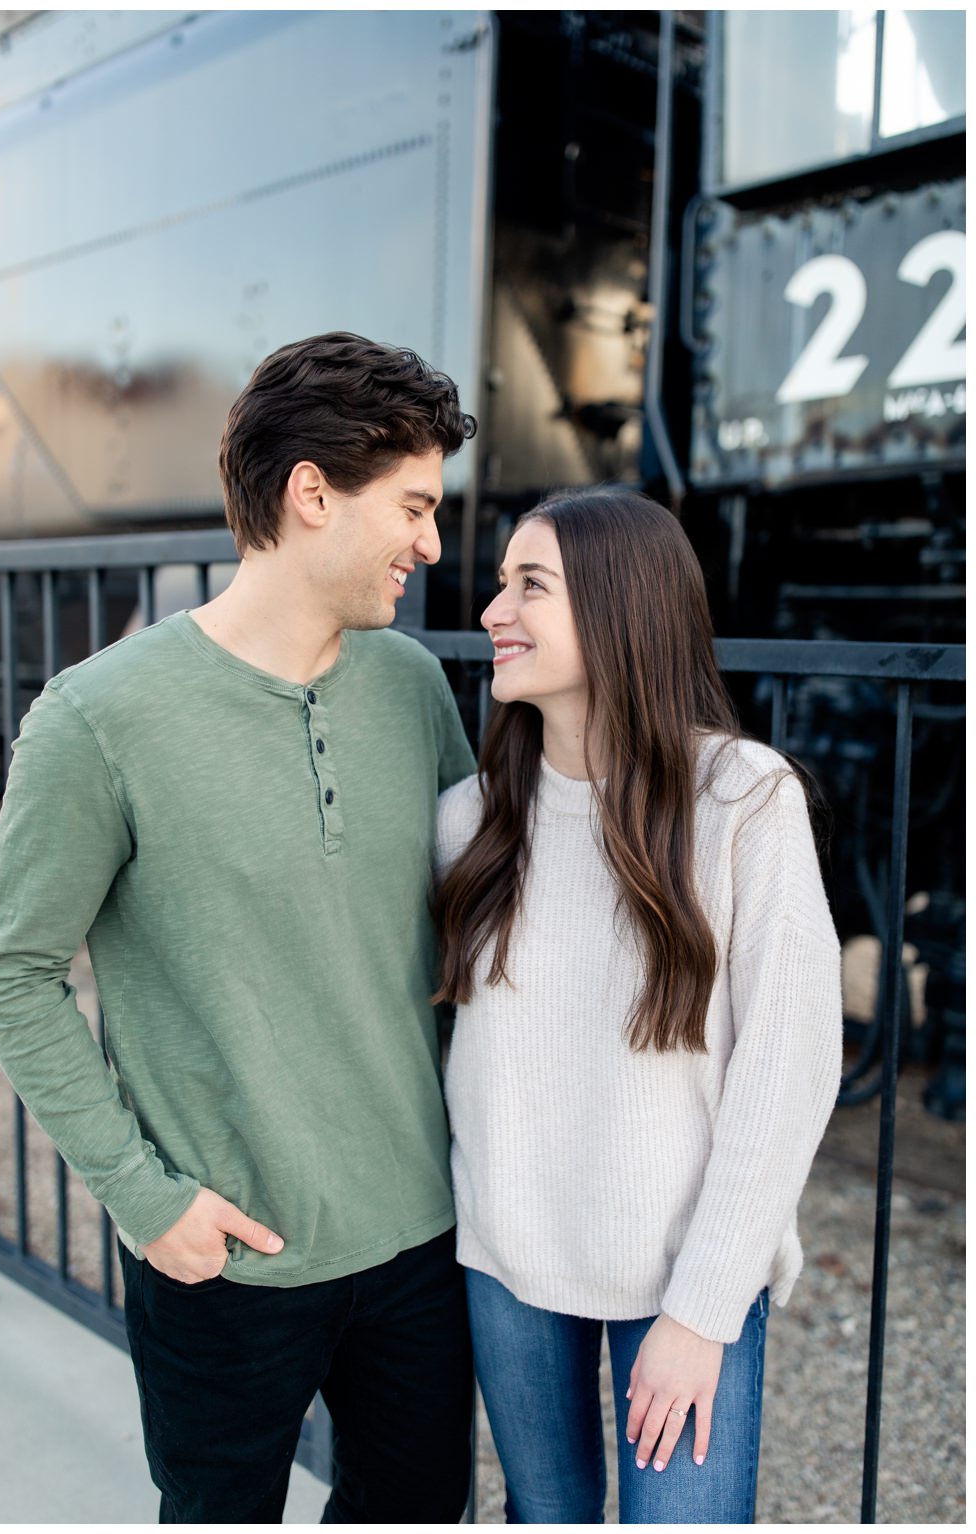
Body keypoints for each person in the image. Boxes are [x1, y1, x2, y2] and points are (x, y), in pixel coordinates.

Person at [0, 333, 480, 1522]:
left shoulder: (409, 689)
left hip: (420, 1241)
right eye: (410, 506)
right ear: (311, 494)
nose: (431, 543)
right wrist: (145, 1200)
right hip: (227, 1253)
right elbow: (8, 969)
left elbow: (477, 916)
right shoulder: (97, 717)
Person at [432, 488, 842, 1522]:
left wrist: (701, 1311)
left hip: (682, 1277)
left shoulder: (743, 800)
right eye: (497, 583)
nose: (491, 611)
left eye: (529, 585)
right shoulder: (468, 821)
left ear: (622, 608)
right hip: (505, 1265)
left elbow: (786, 1067)